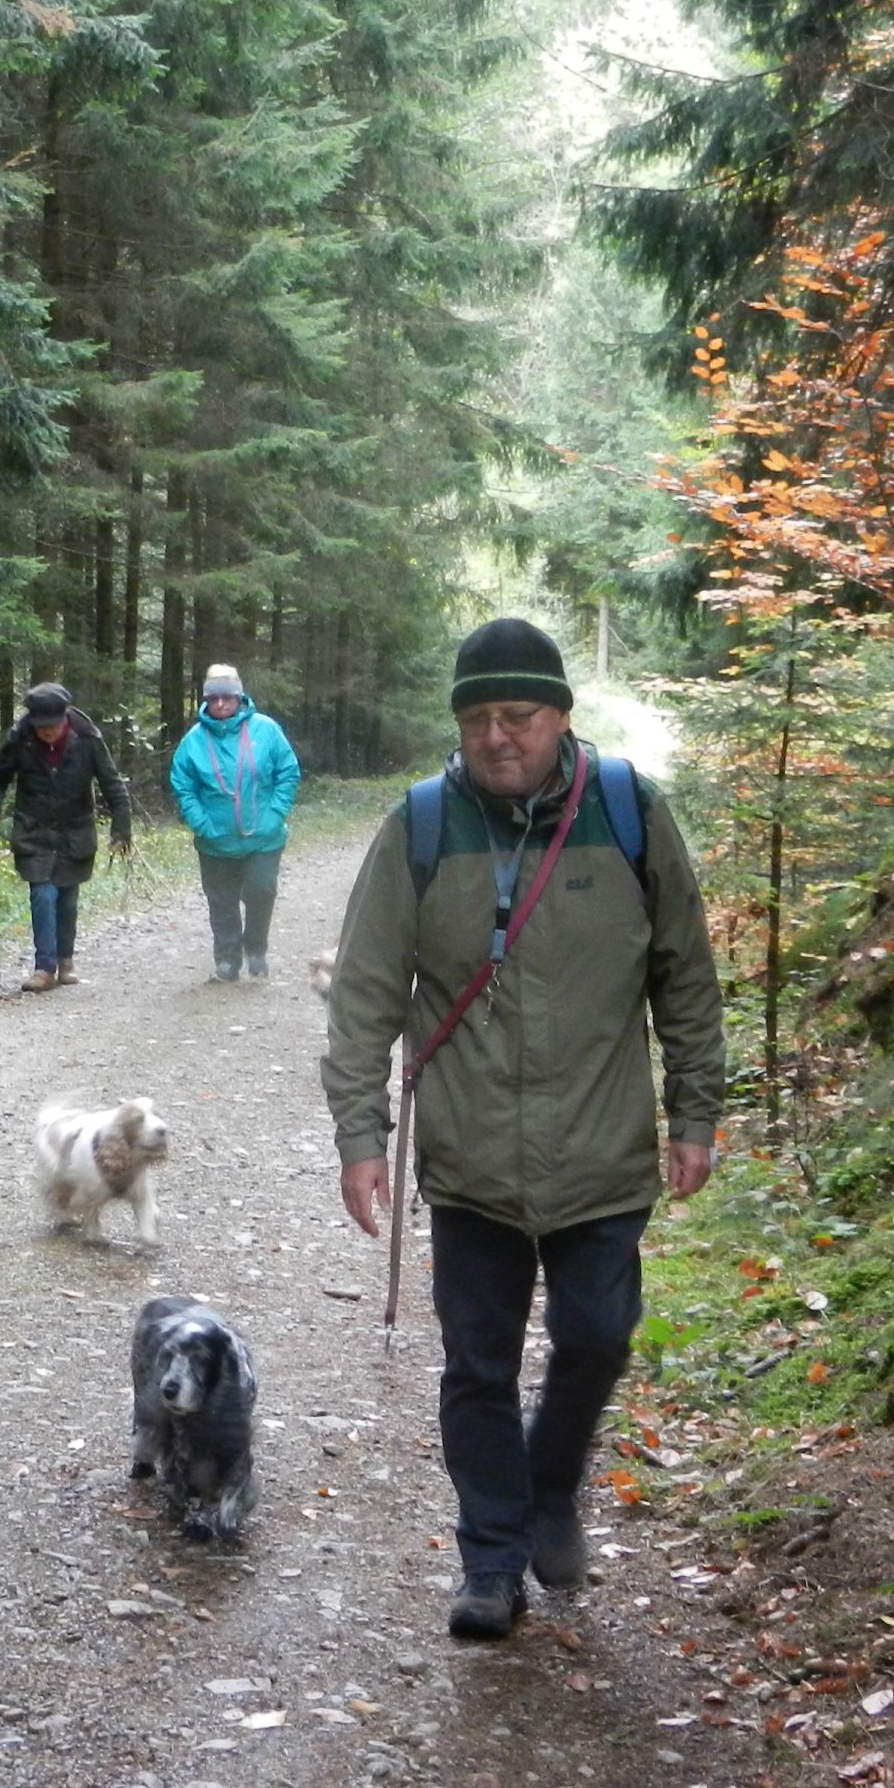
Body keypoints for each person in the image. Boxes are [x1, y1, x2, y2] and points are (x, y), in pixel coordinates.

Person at [319, 617, 724, 1641]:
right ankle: (492, 1560)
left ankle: (549, 1487)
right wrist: (361, 1137)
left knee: (596, 1338)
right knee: (478, 1365)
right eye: (478, 720)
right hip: (471, 1157)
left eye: (519, 716)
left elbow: (685, 973)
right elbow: (365, 993)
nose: (497, 737)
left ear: (561, 717)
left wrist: (696, 1112)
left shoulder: (628, 813)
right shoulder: (421, 827)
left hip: (603, 1148)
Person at [0, 681, 132, 993]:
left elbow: (112, 783)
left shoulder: (88, 738)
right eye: (41, 726)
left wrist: (121, 828)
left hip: (75, 830)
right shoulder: (20, 738)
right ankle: (44, 967)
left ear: (65, 718)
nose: (46, 731)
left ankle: (66, 960)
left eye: (52, 725)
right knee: (43, 893)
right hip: (33, 829)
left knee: (67, 899)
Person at [169, 663, 303, 982]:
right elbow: (183, 786)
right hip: (214, 841)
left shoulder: (266, 730)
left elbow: (288, 772)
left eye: (227, 698)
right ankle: (227, 960)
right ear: (206, 700)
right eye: (213, 699)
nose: (220, 704)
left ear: (239, 697)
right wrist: (201, 823)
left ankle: (256, 948)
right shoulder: (193, 741)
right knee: (221, 901)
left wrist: (275, 814)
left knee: (261, 891)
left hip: (264, 837)